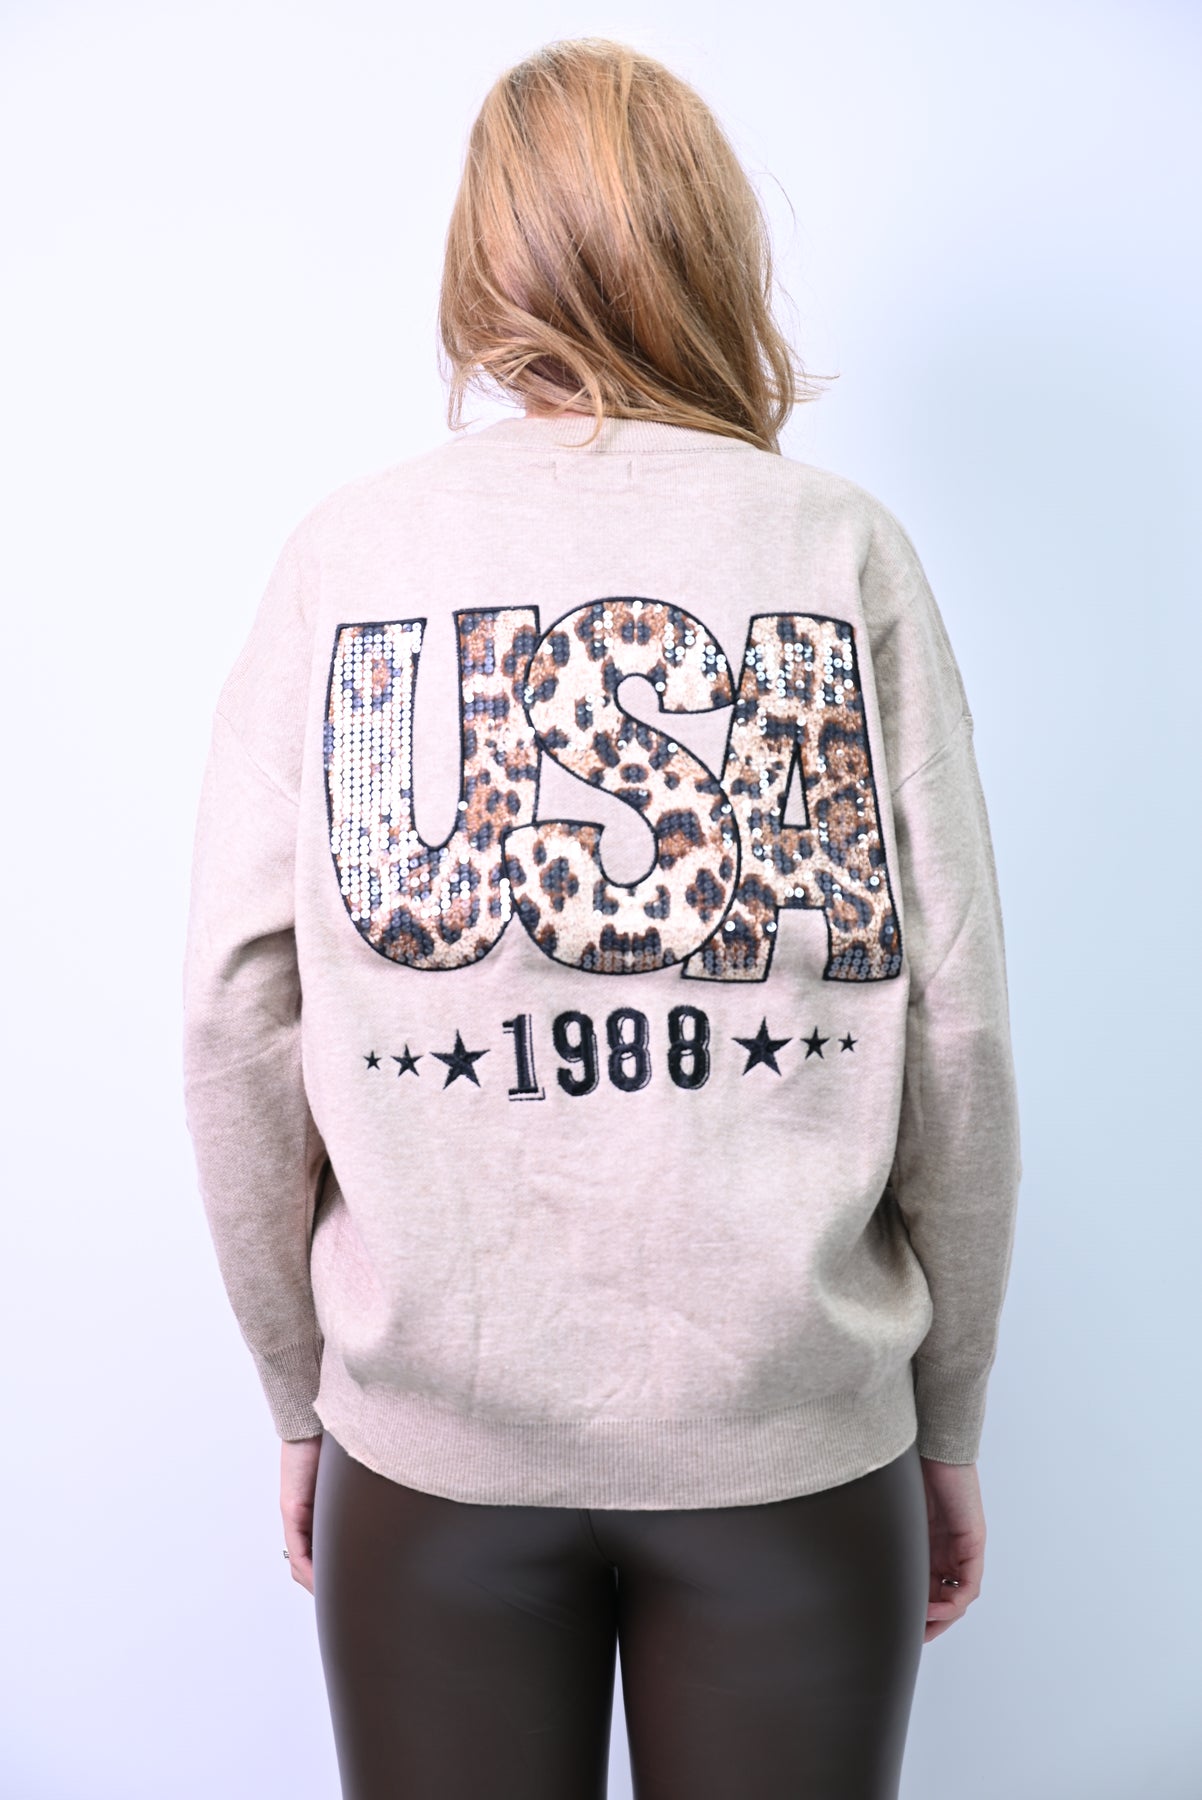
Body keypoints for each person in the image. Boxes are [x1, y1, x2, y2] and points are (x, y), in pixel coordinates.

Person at [182, 35, 1022, 1800]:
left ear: (478, 260)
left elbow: (237, 1012)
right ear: (711, 249)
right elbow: (952, 1014)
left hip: (432, 1456)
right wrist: (943, 1414)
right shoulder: (835, 549)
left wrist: (299, 1390)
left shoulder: (350, 557)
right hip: (793, 1456)